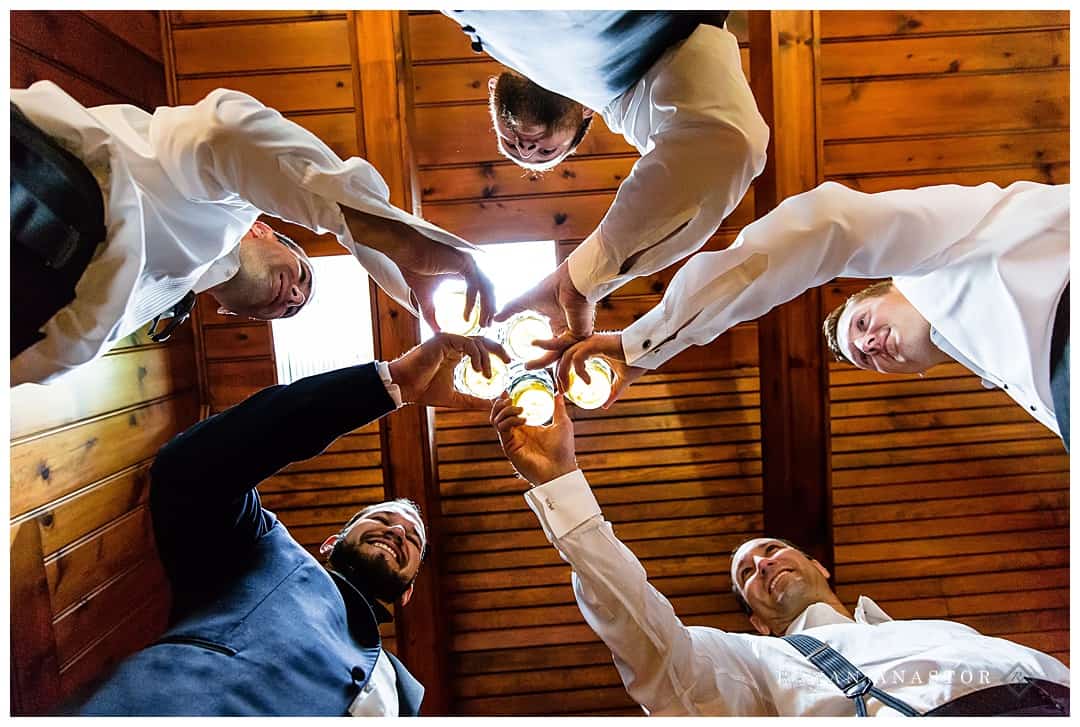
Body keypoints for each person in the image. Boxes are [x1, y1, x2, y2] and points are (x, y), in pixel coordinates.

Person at [489, 392, 1071, 716]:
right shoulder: (748, 662)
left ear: (818, 565)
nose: (764, 563)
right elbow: (647, 636)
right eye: (749, 573)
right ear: (757, 621)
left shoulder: (945, 628)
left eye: (770, 550)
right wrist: (561, 479)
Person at [67, 332, 509, 715]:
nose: (398, 530)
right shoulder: (256, 553)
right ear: (331, 544)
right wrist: (390, 383)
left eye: (412, 538)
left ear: (409, 589)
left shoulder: (405, 698)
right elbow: (188, 470)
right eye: (382, 519)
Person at [11, 81, 495, 386]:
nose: (295, 295)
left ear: (227, 312)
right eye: (303, 275)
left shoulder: (165, 295)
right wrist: (403, 244)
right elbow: (223, 130)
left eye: (292, 308)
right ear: (263, 230)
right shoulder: (230, 205)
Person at [555, 180, 1070, 443]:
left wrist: (640, 345)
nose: (870, 345)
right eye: (866, 358)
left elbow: (829, 223)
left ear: (890, 286)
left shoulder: (941, 255)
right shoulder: (1000, 374)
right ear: (910, 372)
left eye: (862, 323)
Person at [443, 11, 769, 357]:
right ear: (586, 111)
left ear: (493, 90)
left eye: (511, 144)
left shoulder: (480, 19)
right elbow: (723, 146)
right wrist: (581, 281)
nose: (525, 147)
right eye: (544, 151)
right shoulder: (634, 81)